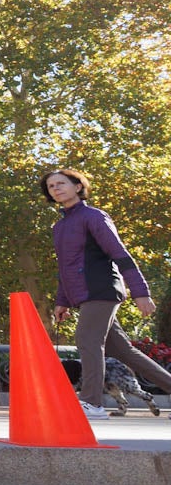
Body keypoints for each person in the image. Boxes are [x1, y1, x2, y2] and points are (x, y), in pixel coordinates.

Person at [42, 168, 169, 419]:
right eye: (51, 186)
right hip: (84, 295)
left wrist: (141, 292)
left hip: (101, 289)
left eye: (61, 183)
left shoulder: (94, 217)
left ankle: (91, 403)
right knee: (124, 352)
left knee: (87, 340)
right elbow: (65, 268)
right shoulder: (60, 226)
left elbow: (120, 254)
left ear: (78, 187)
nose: (55, 188)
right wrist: (62, 301)